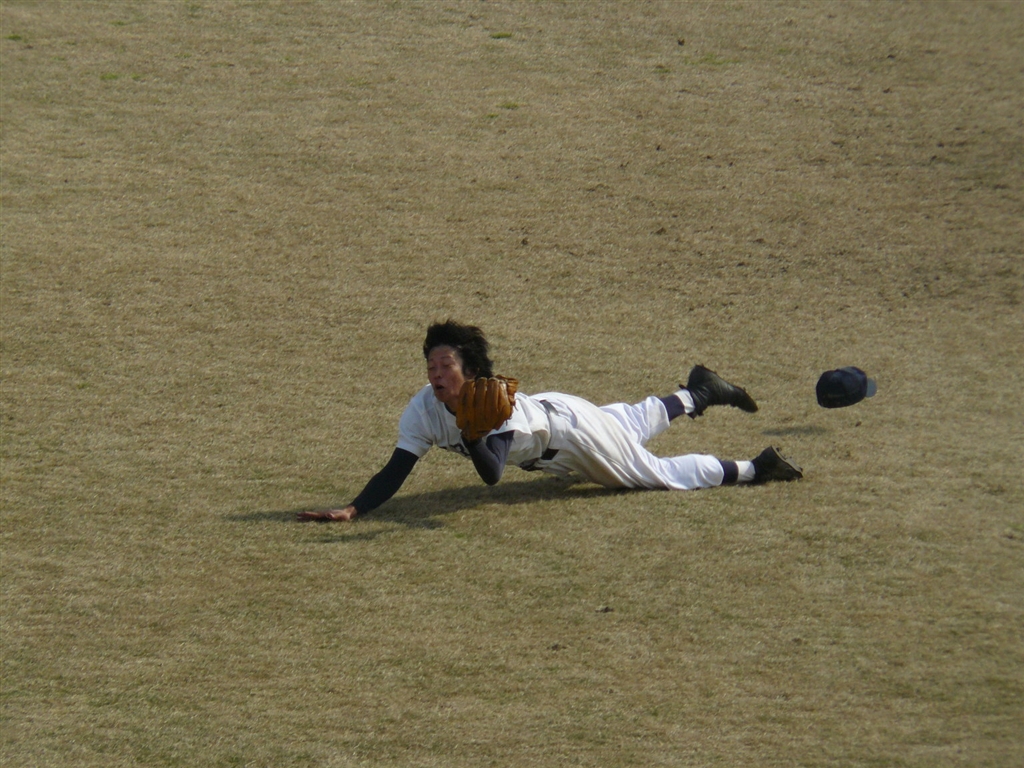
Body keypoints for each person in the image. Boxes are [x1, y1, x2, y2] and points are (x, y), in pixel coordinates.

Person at [298, 320, 802, 522]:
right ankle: (699, 391)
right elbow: (397, 467)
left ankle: (755, 467)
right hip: (563, 410)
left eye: (445, 365)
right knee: (627, 424)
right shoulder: (424, 408)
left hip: (572, 438)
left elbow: (492, 473)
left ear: (470, 371)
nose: (435, 375)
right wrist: (355, 508)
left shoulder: (498, 408)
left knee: (653, 474)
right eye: (430, 365)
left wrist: (472, 433)